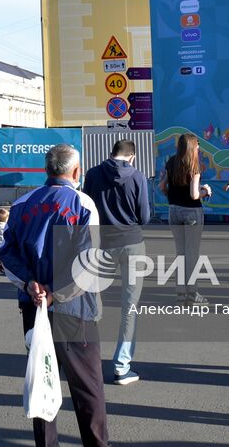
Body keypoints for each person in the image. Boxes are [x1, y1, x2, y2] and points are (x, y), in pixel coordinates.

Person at [0, 144, 108, 447]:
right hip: (75, 307)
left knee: (42, 379)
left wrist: (30, 283)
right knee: (88, 386)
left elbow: (6, 254)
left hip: (33, 305)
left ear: (46, 170)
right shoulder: (83, 203)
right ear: (76, 171)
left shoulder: (22, 204)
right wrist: (56, 294)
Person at [84, 139, 152, 386]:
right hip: (132, 242)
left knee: (91, 303)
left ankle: (85, 359)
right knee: (129, 306)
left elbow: (86, 208)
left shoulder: (92, 174)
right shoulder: (138, 177)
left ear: (111, 153)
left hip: (101, 243)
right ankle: (122, 367)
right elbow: (144, 216)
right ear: (132, 156)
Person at [161, 133, 211, 303]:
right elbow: (194, 194)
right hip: (191, 212)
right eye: (197, 145)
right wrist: (206, 192)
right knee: (192, 254)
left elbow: (162, 186)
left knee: (180, 253)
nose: (198, 147)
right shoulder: (194, 165)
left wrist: (172, 198)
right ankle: (192, 293)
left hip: (173, 211)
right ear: (192, 146)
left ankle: (180, 292)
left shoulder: (171, 162)